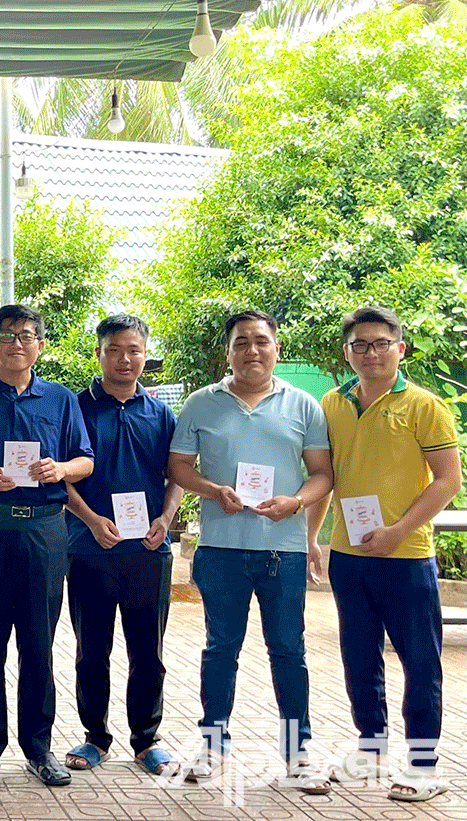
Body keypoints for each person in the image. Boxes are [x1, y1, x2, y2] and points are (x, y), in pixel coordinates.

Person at [168, 309, 333, 789]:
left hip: (284, 550)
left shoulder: (304, 405)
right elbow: (179, 466)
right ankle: (212, 747)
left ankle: (298, 753)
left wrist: (295, 502)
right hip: (221, 548)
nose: (252, 351)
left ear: (277, 348)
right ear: (228, 352)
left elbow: (323, 474)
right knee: (220, 649)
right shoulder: (201, 403)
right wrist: (213, 490)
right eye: (241, 342)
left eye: (261, 341)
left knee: (289, 651)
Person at [308, 306, 459, 802]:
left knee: (420, 660)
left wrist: (398, 531)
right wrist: (313, 538)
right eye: (360, 344)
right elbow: (327, 477)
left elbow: (448, 481)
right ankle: (371, 750)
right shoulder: (332, 403)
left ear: (400, 348)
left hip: (406, 556)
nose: (370, 352)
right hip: (349, 556)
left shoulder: (424, 406)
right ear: (347, 352)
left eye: (380, 343)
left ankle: (422, 765)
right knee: (358, 655)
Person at [0, 303, 94, 788]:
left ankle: (38, 747)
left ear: (40, 346)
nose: (16, 344)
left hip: (46, 532)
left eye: (27, 335)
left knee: (38, 641)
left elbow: (85, 460)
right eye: (7, 335)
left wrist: (61, 469)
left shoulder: (61, 400)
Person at [61, 315, 182, 777]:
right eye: (114, 350)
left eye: (134, 350)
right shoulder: (76, 408)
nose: (125, 359)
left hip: (148, 551)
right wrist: (91, 521)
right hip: (89, 549)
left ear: (145, 355)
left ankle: (146, 740)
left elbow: (178, 475)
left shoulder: (161, 413)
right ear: (99, 354)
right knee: (92, 651)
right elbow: (60, 478)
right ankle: (95, 736)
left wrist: (165, 520)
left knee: (148, 652)